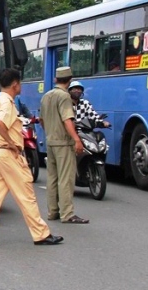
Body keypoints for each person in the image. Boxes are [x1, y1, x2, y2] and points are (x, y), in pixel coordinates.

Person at [0, 68, 63, 247]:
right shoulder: (7, 103)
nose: (20, 86)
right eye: (20, 83)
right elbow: (0, 123)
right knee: (26, 193)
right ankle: (41, 234)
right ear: (15, 84)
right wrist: (12, 143)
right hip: (7, 153)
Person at [40, 66, 89, 224]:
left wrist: (50, 132)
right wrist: (76, 139)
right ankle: (67, 214)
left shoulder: (46, 96)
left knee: (52, 178)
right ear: (69, 80)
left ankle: (52, 211)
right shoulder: (65, 97)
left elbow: (41, 119)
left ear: (56, 79)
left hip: (50, 141)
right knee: (66, 179)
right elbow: (67, 119)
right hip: (63, 143)